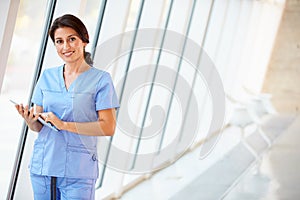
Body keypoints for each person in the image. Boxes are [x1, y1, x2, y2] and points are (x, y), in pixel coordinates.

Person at [14, 14, 119, 199]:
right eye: (59, 41)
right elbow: (38, 126)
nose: (66, 47)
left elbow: (108, 126)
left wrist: (64, 125)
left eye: (72, 39)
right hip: (43, 167)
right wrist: (30, 120)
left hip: (78, 171)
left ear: (84, 40)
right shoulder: (47, 76)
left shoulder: (101, 80)